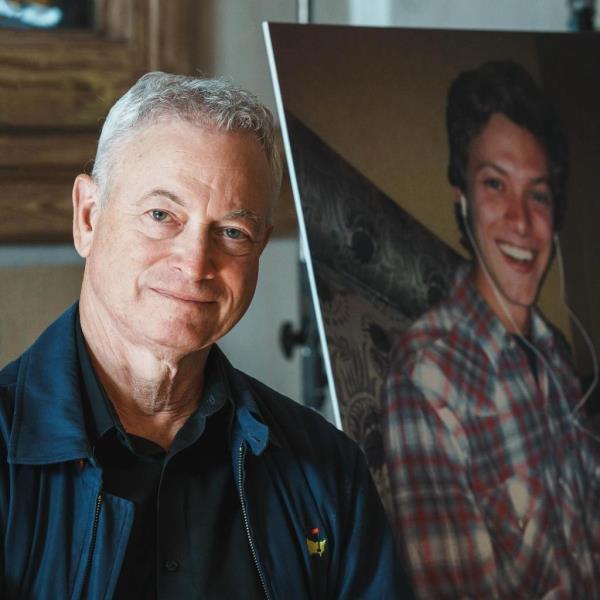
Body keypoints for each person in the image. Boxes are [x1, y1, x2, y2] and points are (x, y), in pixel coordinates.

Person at [0, 72, 410, 599]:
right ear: (87, 217)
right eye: (161, 215)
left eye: (232, 232)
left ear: (260, 248)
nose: (195, 265)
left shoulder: (328, 472)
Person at [383, 60, 600, 598]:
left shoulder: (553, 350)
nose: (522, 221)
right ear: (463, 201)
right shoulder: (426, 377)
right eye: (495, 184)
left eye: (539, 194)